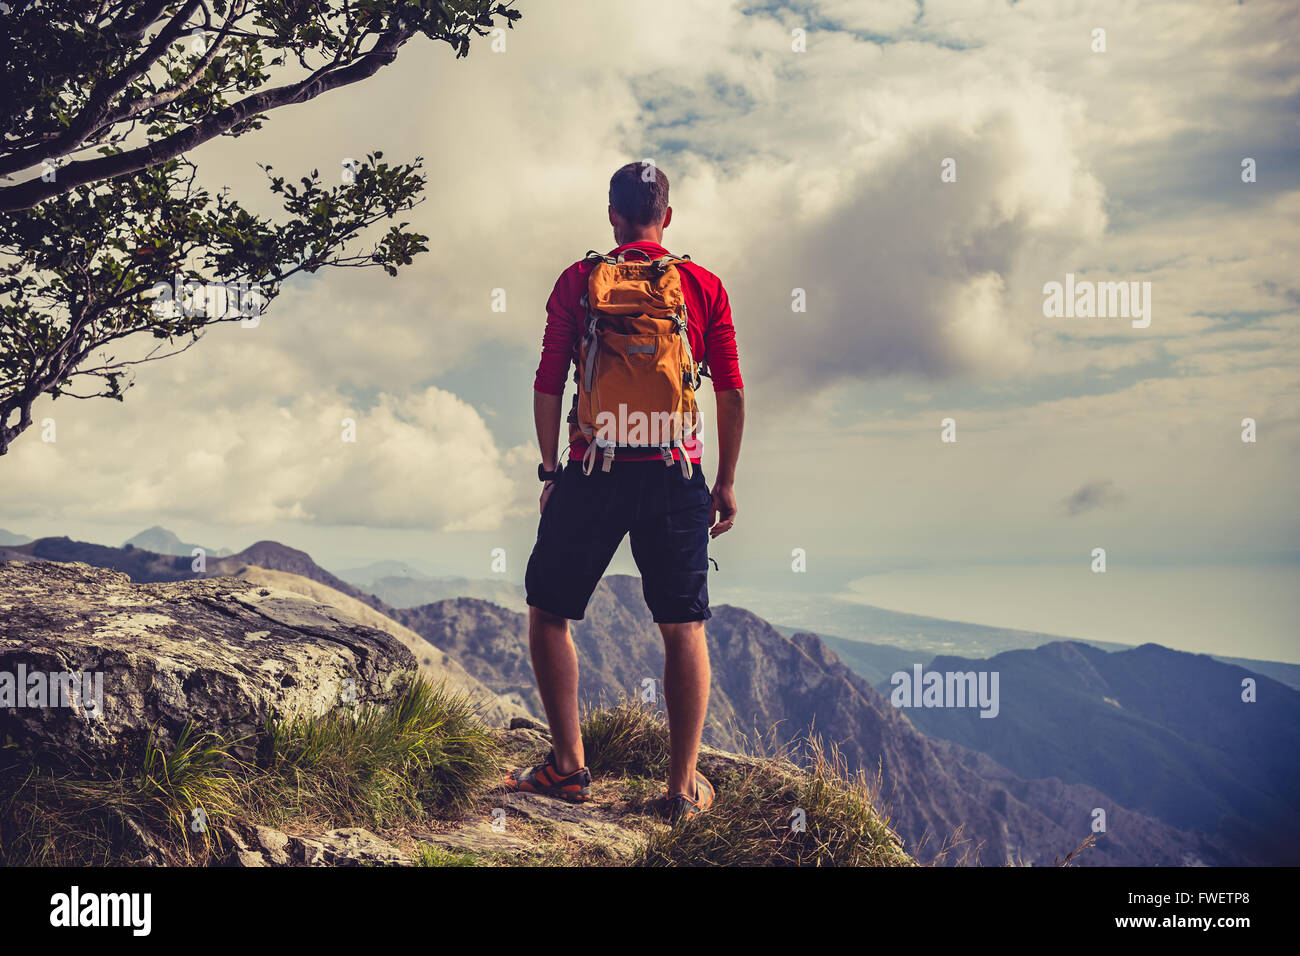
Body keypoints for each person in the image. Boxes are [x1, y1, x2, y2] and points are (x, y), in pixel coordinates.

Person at [503, 162, 745, 821]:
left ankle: (568, 768)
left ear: (612, 216)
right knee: (683, 627)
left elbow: (548, 380)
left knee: (550, 612)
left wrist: (552, 470)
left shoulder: (580, 282)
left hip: (594, 468)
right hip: (673, 472)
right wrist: (722, 481)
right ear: (667, 217)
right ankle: (679, 790)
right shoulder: (701, 285)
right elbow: (730, 388)